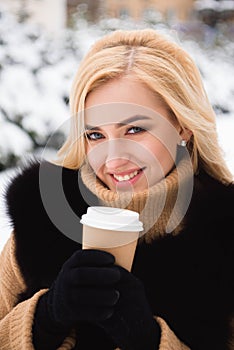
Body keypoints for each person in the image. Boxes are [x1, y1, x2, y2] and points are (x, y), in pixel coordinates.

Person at [0, 28, 233, 350]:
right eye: (95, 135)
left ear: (183, 125)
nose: (113, 159)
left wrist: (150, 340)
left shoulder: (225, 231)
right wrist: (46, 319)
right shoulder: (38, 222)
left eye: (135, 129)